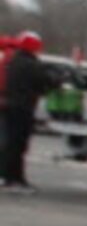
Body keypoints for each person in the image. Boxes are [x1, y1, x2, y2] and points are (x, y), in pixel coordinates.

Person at [1, 31, 47, 192]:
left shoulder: (13, 61)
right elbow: (43, 83)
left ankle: (10, 177)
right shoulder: (31, 64)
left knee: (11, 143)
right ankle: (14, 179)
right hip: (23, 107)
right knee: (18, 145)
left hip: (10, 105)